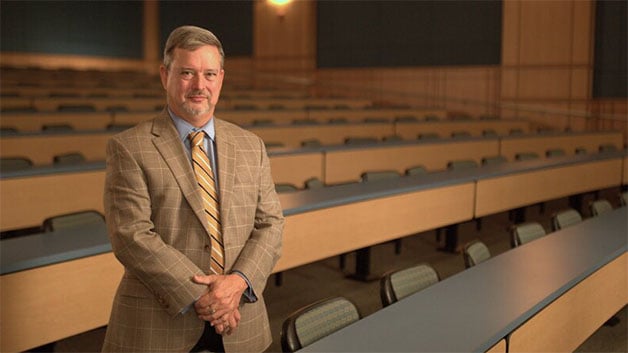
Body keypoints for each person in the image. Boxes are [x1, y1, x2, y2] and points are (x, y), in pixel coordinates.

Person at [101, 25, 284, 353]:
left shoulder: (250, 145)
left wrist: (238, 283)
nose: (200, 86)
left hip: (241, 317)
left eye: (209, 74)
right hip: (158, 324)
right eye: (187, 73)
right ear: (164, 75)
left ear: (221, 78)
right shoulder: (130, 147)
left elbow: (270, 224)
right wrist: (208, 296)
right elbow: (131, 236)